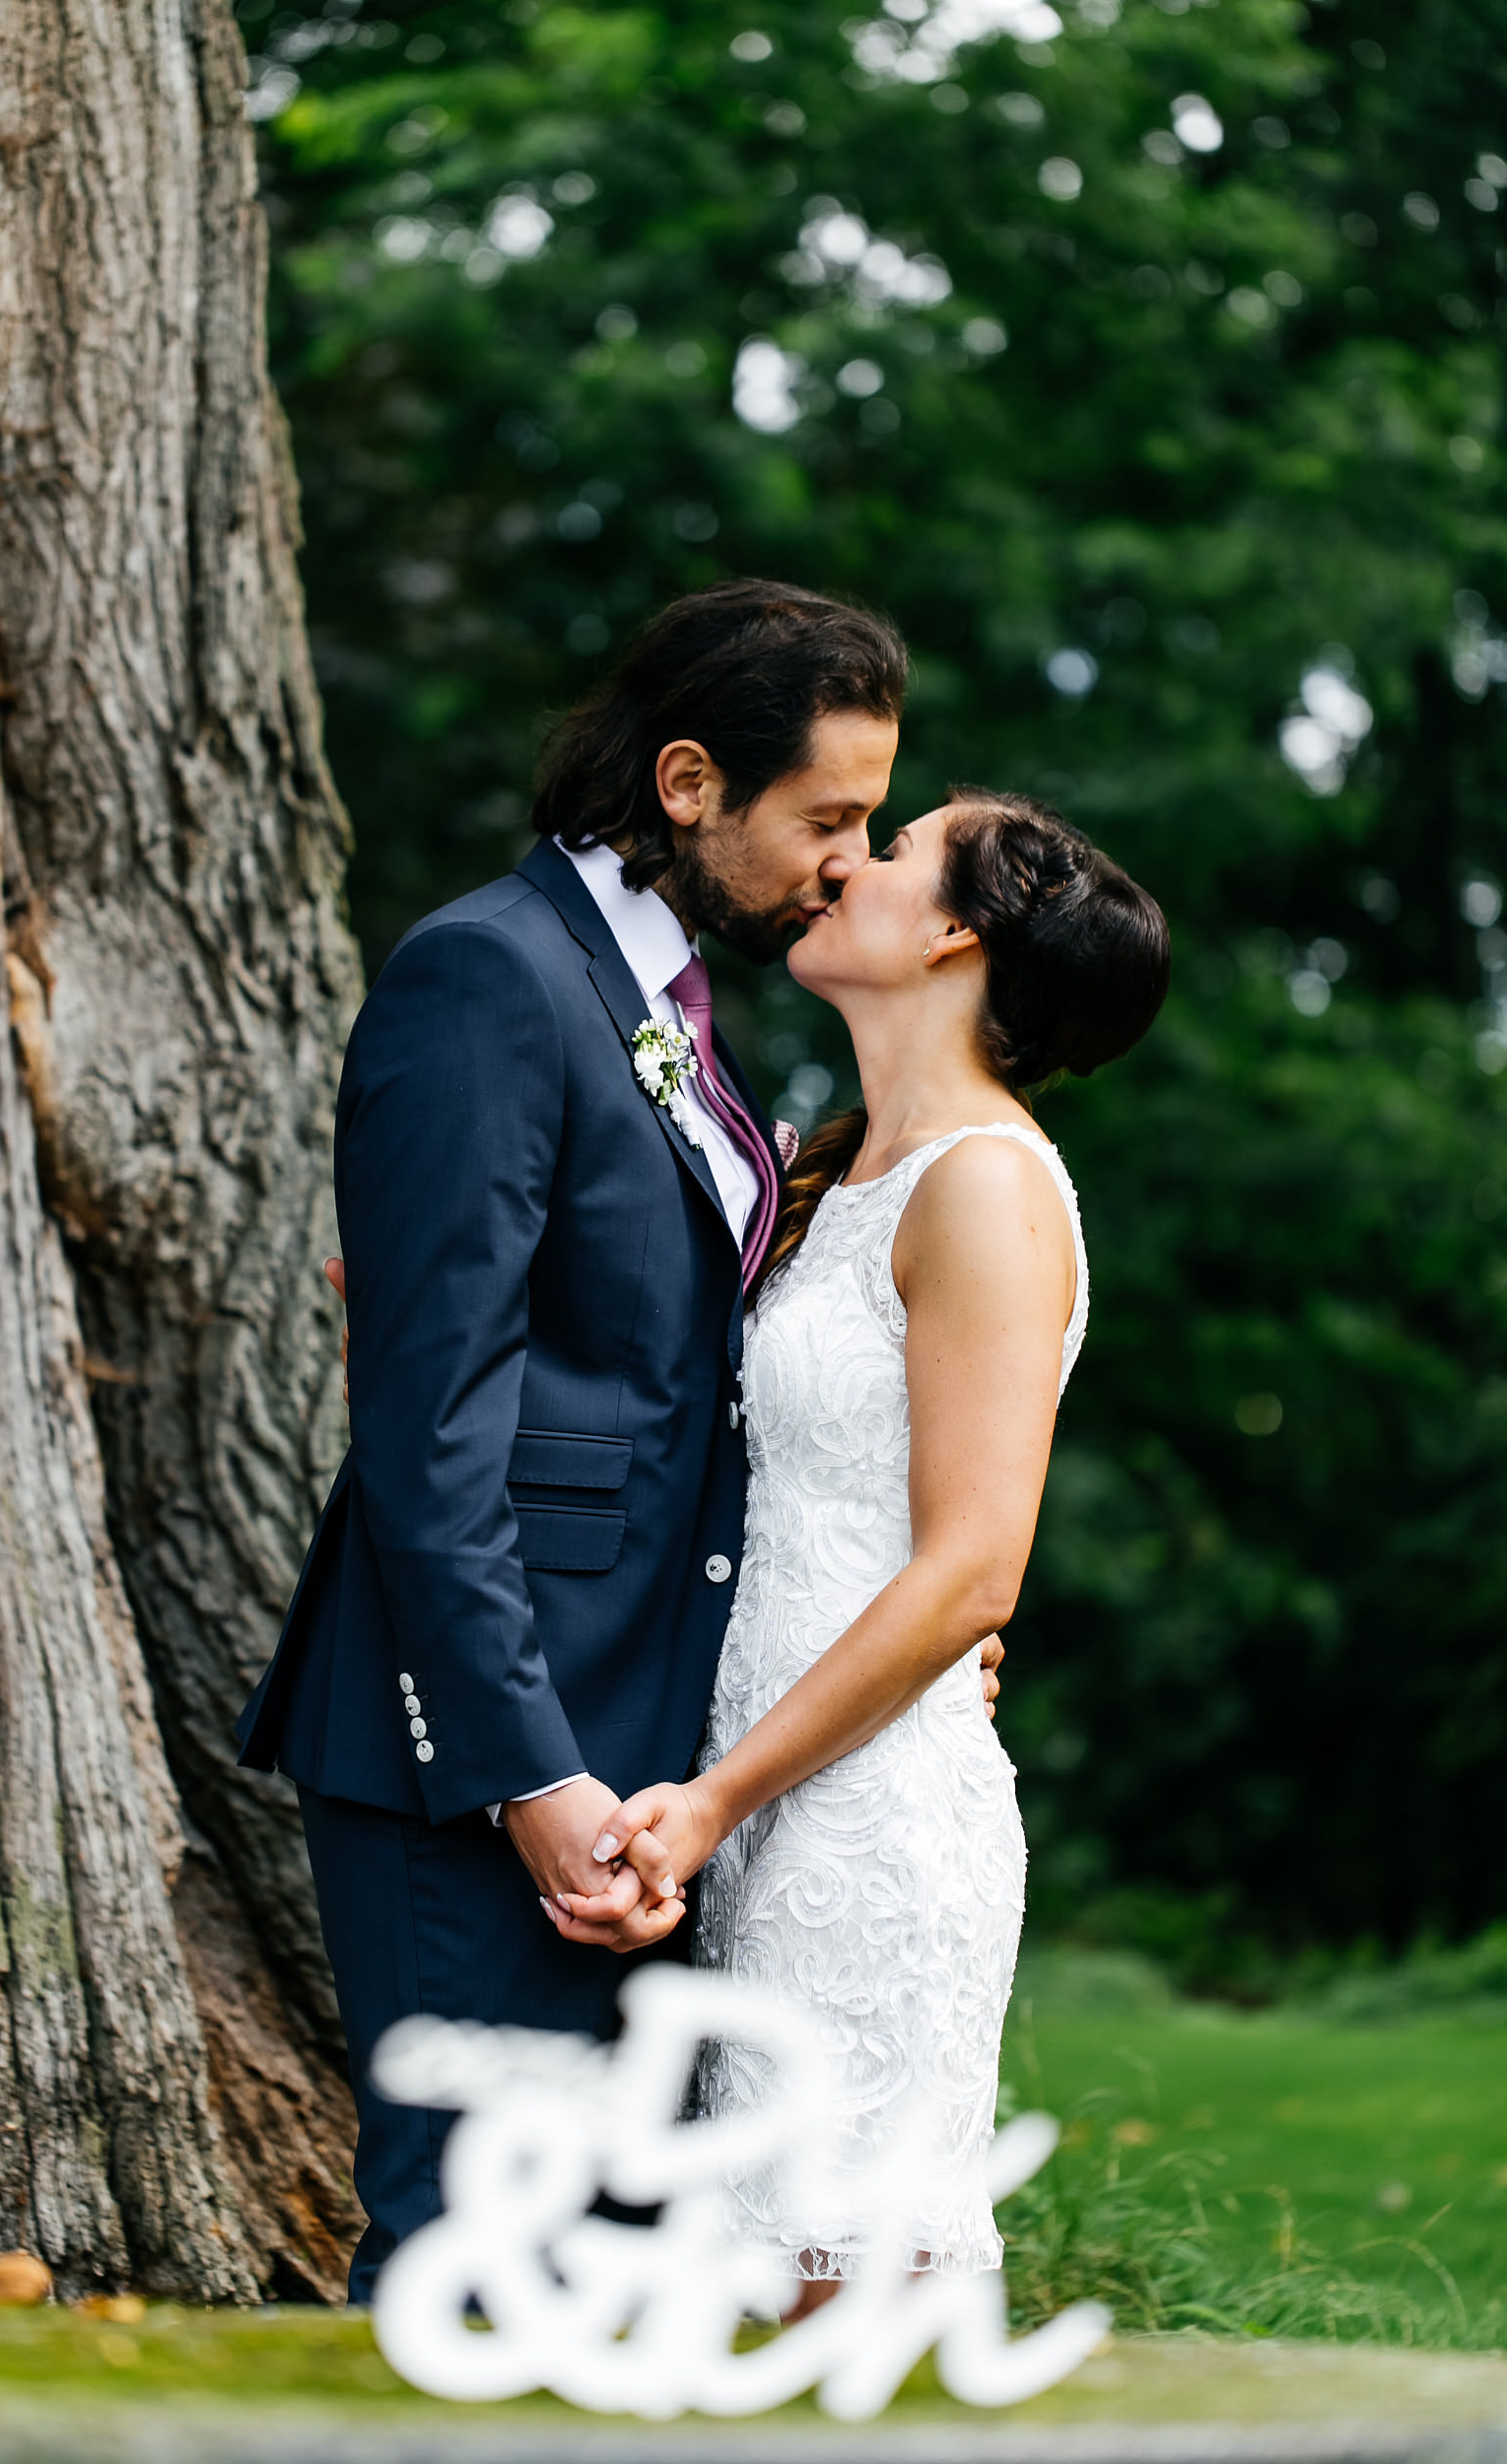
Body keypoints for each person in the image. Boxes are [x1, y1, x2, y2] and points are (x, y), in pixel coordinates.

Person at [236, 579, 1002, 2301]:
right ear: (687, 784)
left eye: (869, 825)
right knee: (477, 2265)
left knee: (610, 2288)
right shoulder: (485, 977)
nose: (846, 864)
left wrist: (891, 1612)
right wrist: (531, 1777)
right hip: (487, 1745)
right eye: (825, 819)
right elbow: (431, 1432)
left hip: (651, 1745)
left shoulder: (667, 1004)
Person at [551, 789, 1170, 2299]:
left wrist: (714, 1804)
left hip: (858, 1831)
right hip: (749, 1800)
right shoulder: (837, 1176)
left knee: (838, 2313)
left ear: (957, 930)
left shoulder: (989, 1187)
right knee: (742, 2316)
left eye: (894, 850)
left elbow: (973, 1571)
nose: (848, 863)